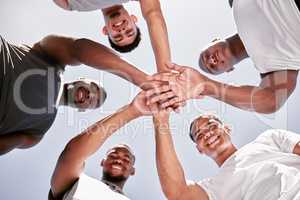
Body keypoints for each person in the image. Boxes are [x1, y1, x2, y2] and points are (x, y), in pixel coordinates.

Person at [0, 34, 154, 155]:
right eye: (94, 87)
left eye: (94, 102)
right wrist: (145, 81)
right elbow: (79, 49)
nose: (91, 96)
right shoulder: (53, 58)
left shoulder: (38, 132)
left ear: (82, 109)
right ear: (82, 79)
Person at [145, 0, 300, 114]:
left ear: (214, 40)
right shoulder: (271, 68)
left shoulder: (236, 5)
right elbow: (270, 101)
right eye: (212, 67)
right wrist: (207, 86)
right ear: (229, 70)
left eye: (206, 56)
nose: (211, 60)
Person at [152, 111, 300, 200]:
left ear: (227, 129)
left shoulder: (269, 138)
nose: (208, 134)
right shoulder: (213, 189)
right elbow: (177, 192)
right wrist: (161, 121)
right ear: (199, 149)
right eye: (199, 135)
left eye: (212, 126)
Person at [48, 91, 157, 200]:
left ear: (132, 170)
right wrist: (132, 111)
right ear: (103, 162)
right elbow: (72, 154)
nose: (118, 160)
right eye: (113, 156)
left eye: (126, 159)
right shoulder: (78, 182)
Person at [53, 0, 171, 72]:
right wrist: (165, 71)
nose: (122, 30)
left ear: (106, 31)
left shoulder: (72, 5)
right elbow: (153, 14)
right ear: (134, 19)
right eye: (129, 31)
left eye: (118, 36)